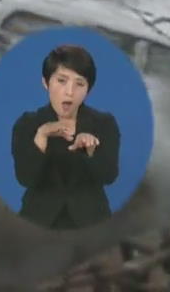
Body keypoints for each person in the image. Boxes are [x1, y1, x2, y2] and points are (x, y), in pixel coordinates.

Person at [11, 44, 120, 230]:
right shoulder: (28, 123)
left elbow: (109, 176)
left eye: (79, 84)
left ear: (88, 89)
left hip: (91, 223)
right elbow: (25, 178)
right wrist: (41, 136)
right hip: (38, 223)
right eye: (61, 81)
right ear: (46, 83)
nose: (70, 91)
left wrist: (90, 151)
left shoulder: (104, 123)